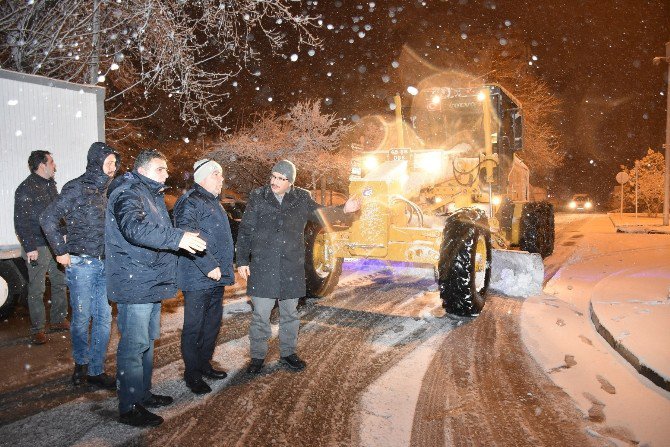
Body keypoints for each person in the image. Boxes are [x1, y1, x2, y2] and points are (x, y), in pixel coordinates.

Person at [106, 149, 206, 427]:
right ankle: (128, 406)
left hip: (147, 280)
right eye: (161, 168)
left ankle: (142, 393)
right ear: (143, 170)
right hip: (133, 281)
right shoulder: (128, 192)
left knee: (147, 342)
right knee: (133, 344)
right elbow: (135, 229)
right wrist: (177, 237)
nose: (167, 173)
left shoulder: (150, 194)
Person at [236, 160, 360, 375]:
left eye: (281, 179)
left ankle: (288, 353)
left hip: (291, 267)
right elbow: (246, 230)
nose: (274, 181)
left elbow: (322, 215)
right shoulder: (259, 196)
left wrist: (344, 209)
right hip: (263, 266)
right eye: (273, 176)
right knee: (260, 316)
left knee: (290, 315)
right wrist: (242, 261)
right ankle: (257, 357)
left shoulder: (301, 198)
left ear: (290, 182)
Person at [40, 142, 119, 389]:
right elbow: (48, 218)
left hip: (104, 263)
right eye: (108, 163)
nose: (112, 168)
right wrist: (60, 251)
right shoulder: (76, 188)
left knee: (104, 318)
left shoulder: (109, 190)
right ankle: (81, 365)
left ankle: (96, 370)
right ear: (96, 162)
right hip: (82, 264)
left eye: (115, 163)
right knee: (82, 318)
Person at [174, 159, 235, 395]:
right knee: (194, 327)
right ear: (203, 177)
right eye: (217, 174)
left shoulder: (213, 202)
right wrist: (207, 264)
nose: (222, 179)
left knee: (211, 324)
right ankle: (192, 374)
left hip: (215, 276)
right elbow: (186, 234)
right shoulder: (190, 202)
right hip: (198, 275)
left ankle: (204, 363)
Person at [14, 150, 68, 345]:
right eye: (52, 162)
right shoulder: (26, 189)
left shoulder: (50, 186)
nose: (55, 165)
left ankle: (58, 320)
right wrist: (29, 247)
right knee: (37, 289)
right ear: (42, 165)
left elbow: (57, 213)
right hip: (37, 245)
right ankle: (38, 329)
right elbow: (21, 222)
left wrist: (63, 231)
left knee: (59, 282)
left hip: (55, 244)